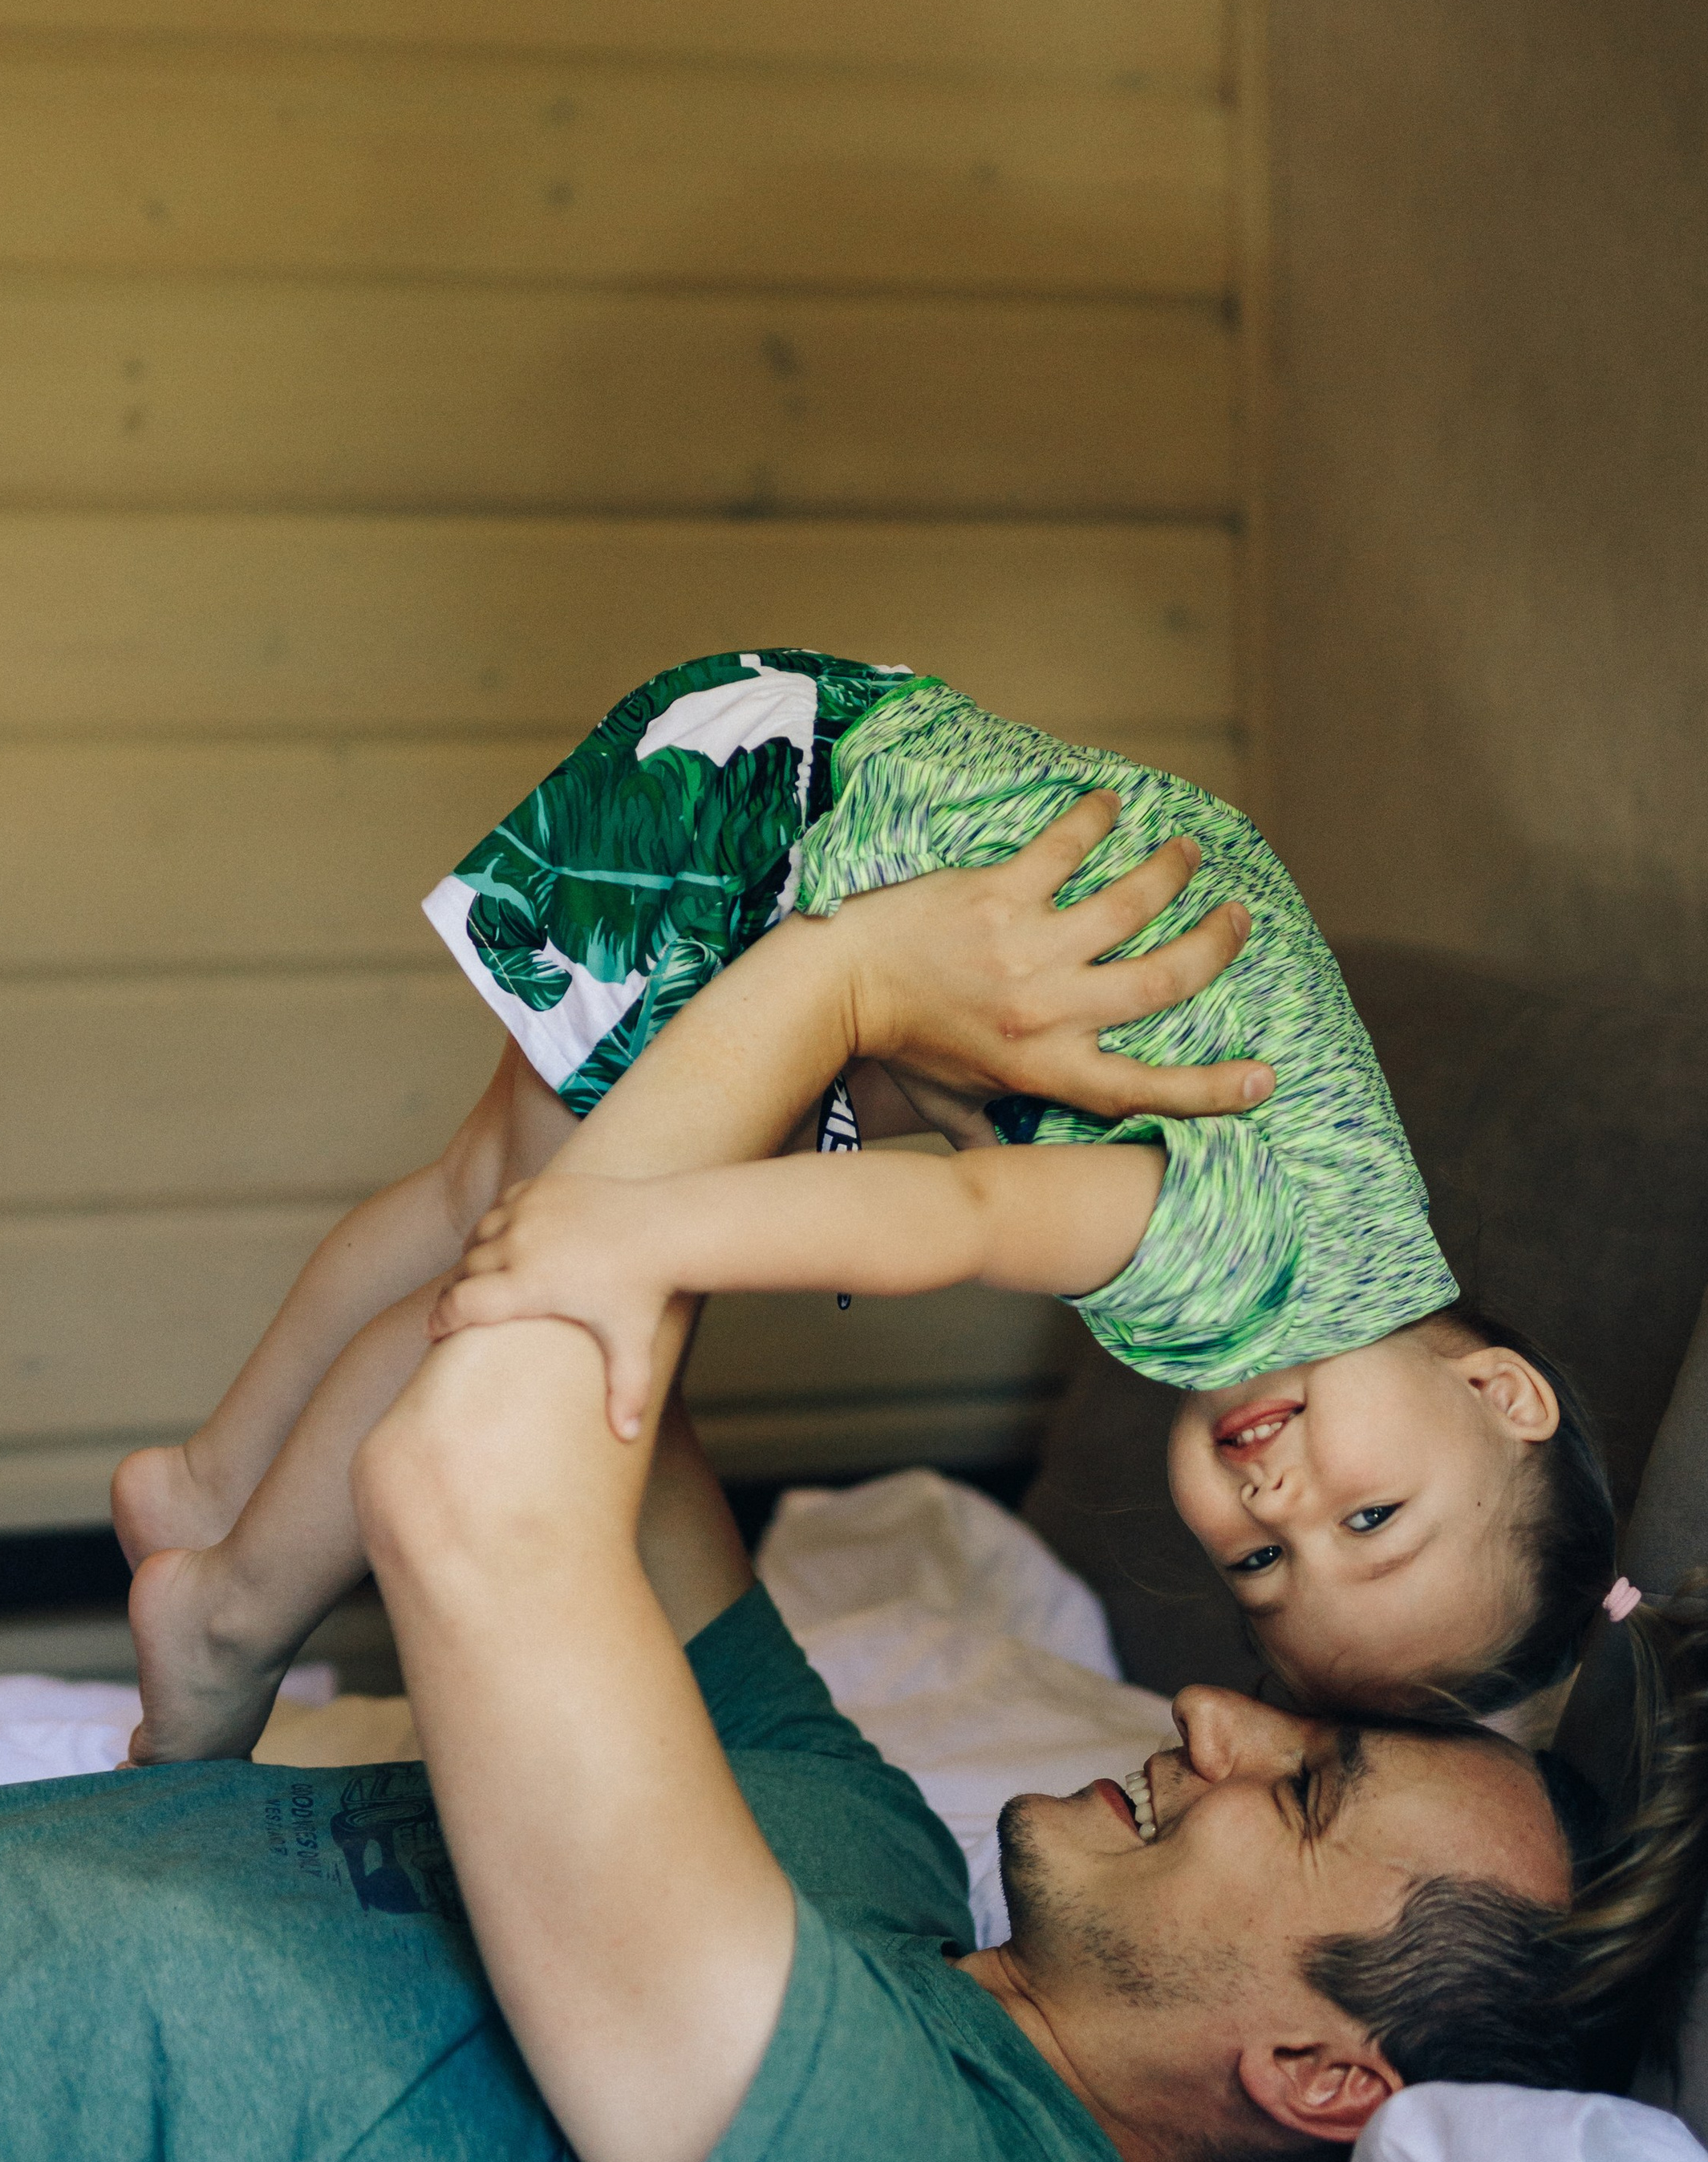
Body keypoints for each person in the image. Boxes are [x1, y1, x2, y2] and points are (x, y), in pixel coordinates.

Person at [0, 867, 1708, 2162]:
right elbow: (582, 1377)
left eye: (1298, 1792)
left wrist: (830, 983)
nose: (1208, 1716)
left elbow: (477, 1487)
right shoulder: (863, 1846)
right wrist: (909, 1110)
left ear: (1324, 2080)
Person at [116, 651, 1622, 1755]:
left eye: (1263, 1566)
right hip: (779, 851)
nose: (1283, 1509)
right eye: (1374, 1516)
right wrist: (643, 1226)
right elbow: (951, 1221)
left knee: (475, 1196)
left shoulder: (1363, 1201)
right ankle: (232, 1606)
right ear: (1500, 1391)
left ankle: (210, 1475)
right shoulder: (1262, 1267)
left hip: (795, 735)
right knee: (529, 1298)